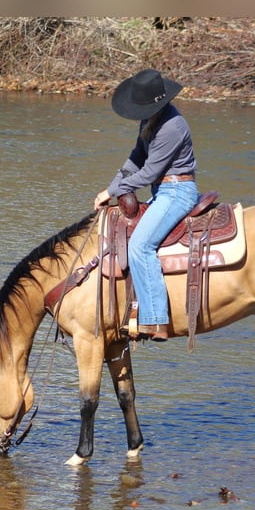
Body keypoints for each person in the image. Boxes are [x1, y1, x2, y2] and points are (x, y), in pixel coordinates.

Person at [94, 68, 199, 342]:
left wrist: (114, 190)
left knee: (140, 246)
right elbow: (135, 159)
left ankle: (156, 320)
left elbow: (150, 172)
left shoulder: (173, 127)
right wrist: (112, 185)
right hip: (162, 190)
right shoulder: (150, 121)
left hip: (177, 191)